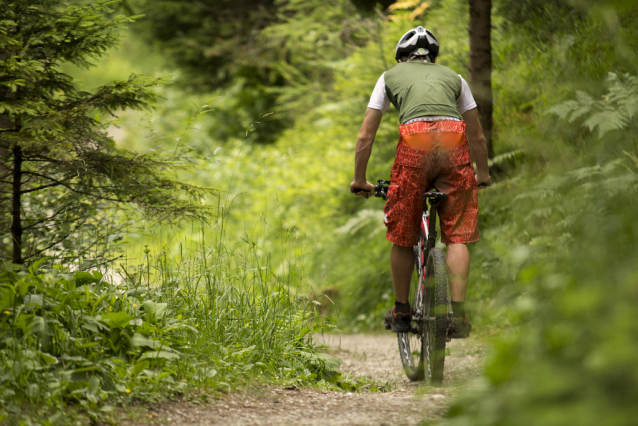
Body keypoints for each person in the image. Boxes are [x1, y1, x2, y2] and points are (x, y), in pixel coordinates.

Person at [350, 26, 491, 338]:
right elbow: (477, 135)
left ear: (403, 59)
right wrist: (482, 174)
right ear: (434, 58)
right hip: (455, 144)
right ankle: (457, 315)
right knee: (456, 237)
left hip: (415, 145)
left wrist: (360, 179)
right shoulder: (455, 78)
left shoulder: (390, 76)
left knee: (402, 233)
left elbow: (365, 135)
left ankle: (402, 310)